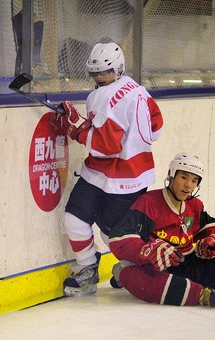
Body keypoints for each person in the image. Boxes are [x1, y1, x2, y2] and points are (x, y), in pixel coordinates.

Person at [56, 42, 163, 297]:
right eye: (95, 73)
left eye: (105, 72)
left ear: (118, 68)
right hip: (113, 174)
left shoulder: (101, 97)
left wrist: (77, 128)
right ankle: (87, 268)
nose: (99, 77)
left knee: (113, 234)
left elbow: (106, 146)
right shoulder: (137, 89)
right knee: (75, 218)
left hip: (120, 180)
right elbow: (157, 128)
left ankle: (134, 270)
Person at [108, 153, 215, 308]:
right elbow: (119, 238)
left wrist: (213, 239)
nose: (188, 185)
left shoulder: (195, 205)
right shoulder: (149, 202)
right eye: (183, 177)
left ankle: (186, 286)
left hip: (190, 260)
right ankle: (197, 294)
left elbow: (209, 228)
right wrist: (149, 250)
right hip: (160, 267)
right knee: (134, 277)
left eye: (194, 181)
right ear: (171, 175)